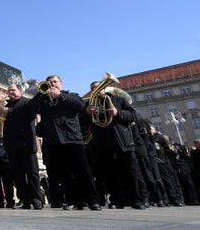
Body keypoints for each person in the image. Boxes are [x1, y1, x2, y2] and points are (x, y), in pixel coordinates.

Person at [34, 75, 101, 211]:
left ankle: (93, 201)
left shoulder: (71, 95)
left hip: (72, 138)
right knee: (65, 175)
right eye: (49, 83)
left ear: (61, 84)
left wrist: (60, 96)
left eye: (54, 82)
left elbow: (80, 106)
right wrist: (41, 95)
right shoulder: (44, 101)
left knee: (83, 171)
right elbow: (32, 109)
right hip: (54, 141)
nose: (52, 84)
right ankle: (73, 201)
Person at [85, 80, 144, 209]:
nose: (95, 90)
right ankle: (116, 200)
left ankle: (137, 200)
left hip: (122, 141)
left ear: (105, 88)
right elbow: (82, 122)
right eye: (92, 88)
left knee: (131, 172)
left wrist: (118, 113)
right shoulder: (88, 104)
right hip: (103, 142)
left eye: (98, 87)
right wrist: (87, 113)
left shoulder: (118, 100)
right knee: (109, 174)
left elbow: (134, 115)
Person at [1, 83, 43, 210]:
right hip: (12, 146)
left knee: (32, 173)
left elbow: (26, 113)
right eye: (9, 90)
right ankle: (23, 200)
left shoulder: (27, 102)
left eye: (13, 90)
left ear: (20, 91)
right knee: (17, 175)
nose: (10, 92)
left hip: (27, 144)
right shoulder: (7, 106)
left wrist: (10, 111)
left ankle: (36, 199)